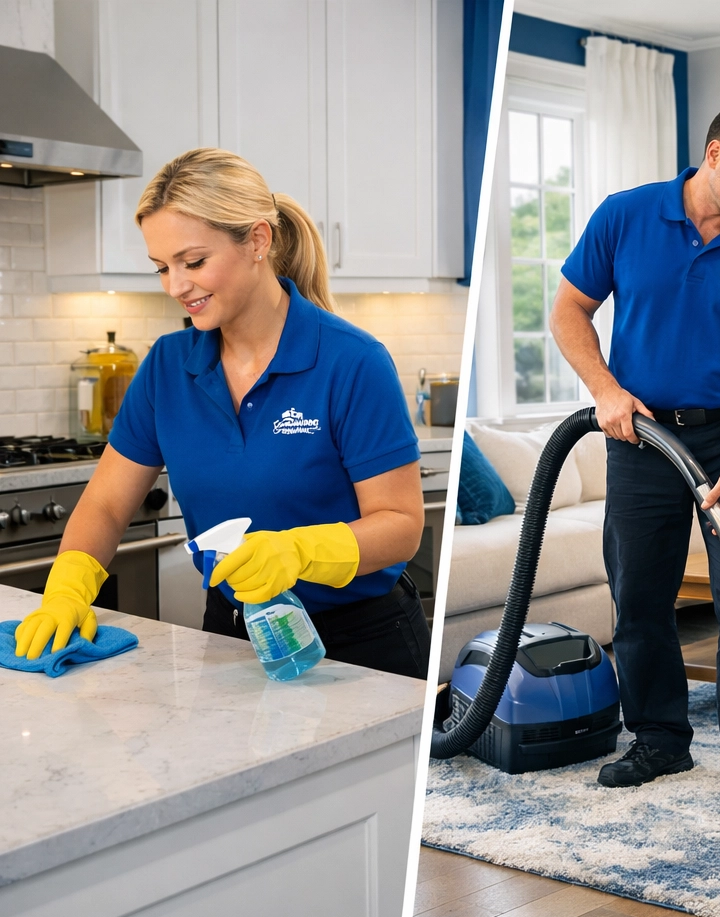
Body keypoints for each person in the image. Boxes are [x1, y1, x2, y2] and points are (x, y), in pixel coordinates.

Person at [14, 148, 430, 679]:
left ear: (258, 240)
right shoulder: (167, 365)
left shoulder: (352, 361)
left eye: (193, 262)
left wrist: (299, 551)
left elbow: (400, 527)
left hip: (361, 644)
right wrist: (67, 588)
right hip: (233, 635)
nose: (175, 286)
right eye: (162, 267)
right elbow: (106, 506)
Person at [549, 102, 720, 835]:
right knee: (638, 598)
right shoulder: (625, 217)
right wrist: (605, 390)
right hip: (643, 436)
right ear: (715, 153)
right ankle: (660, 739)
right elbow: (569, 310)